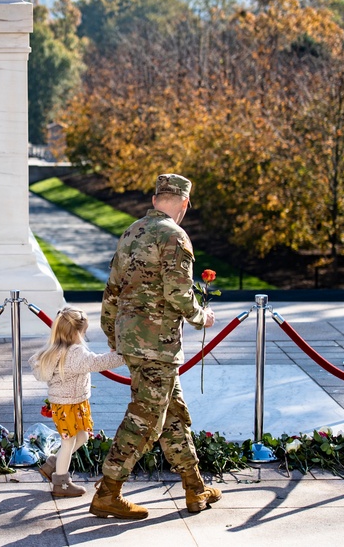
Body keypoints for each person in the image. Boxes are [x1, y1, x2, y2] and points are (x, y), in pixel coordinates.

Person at [89, 173, 221, 520]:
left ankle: (195, 488)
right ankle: (107, 492)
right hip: (156, 343)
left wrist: (112, 332)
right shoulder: (175, 236)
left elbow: (113, 286)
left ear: (154, 200)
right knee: (145, 418)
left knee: (173, 413)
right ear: (185, 203)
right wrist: (201, 316)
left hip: (133, 338)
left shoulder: (132, 231)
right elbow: (178, 293)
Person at [30, 307, 124, 497]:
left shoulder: (57, 351)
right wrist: (122, 355)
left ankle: (53, 465)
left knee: (82, 437)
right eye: (83, 331)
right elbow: (98, 363)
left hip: (73, 403)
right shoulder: (74, 353)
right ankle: (61, 483)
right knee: (68, 442)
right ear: (75, 332)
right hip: (68, 405)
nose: (84, 335)